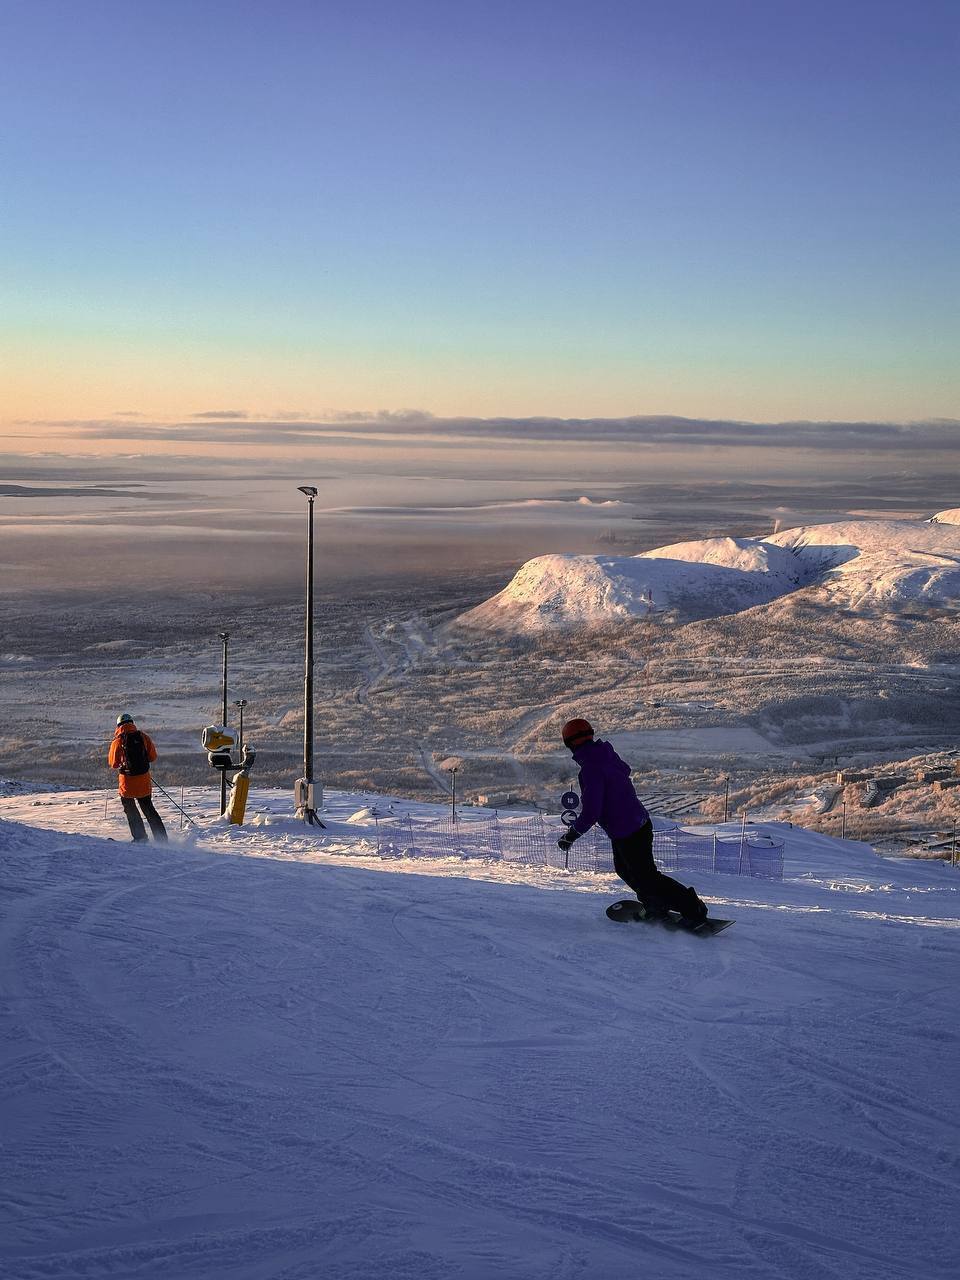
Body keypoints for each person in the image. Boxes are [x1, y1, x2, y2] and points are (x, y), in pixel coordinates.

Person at [557, 718, 707, 926]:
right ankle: (655, 905)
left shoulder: (591, 768)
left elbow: (591, 811)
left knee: (647, 877)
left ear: (570, 743)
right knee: (627, 871)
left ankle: (693, 908)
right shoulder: (605, 755)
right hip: (634, 824)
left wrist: (572, 835)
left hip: (627, 830)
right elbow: (623, 772)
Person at [108, 713, 168, 842]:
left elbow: (113, 763)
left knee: (131, 810)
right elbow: (153, 757)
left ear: (118, 726)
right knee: (149, 809)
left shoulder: (117, 742)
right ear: (132, 723)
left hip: (126, 783)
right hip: (143, 780)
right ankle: (161, 839)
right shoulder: (143, 737)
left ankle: (140, 838)